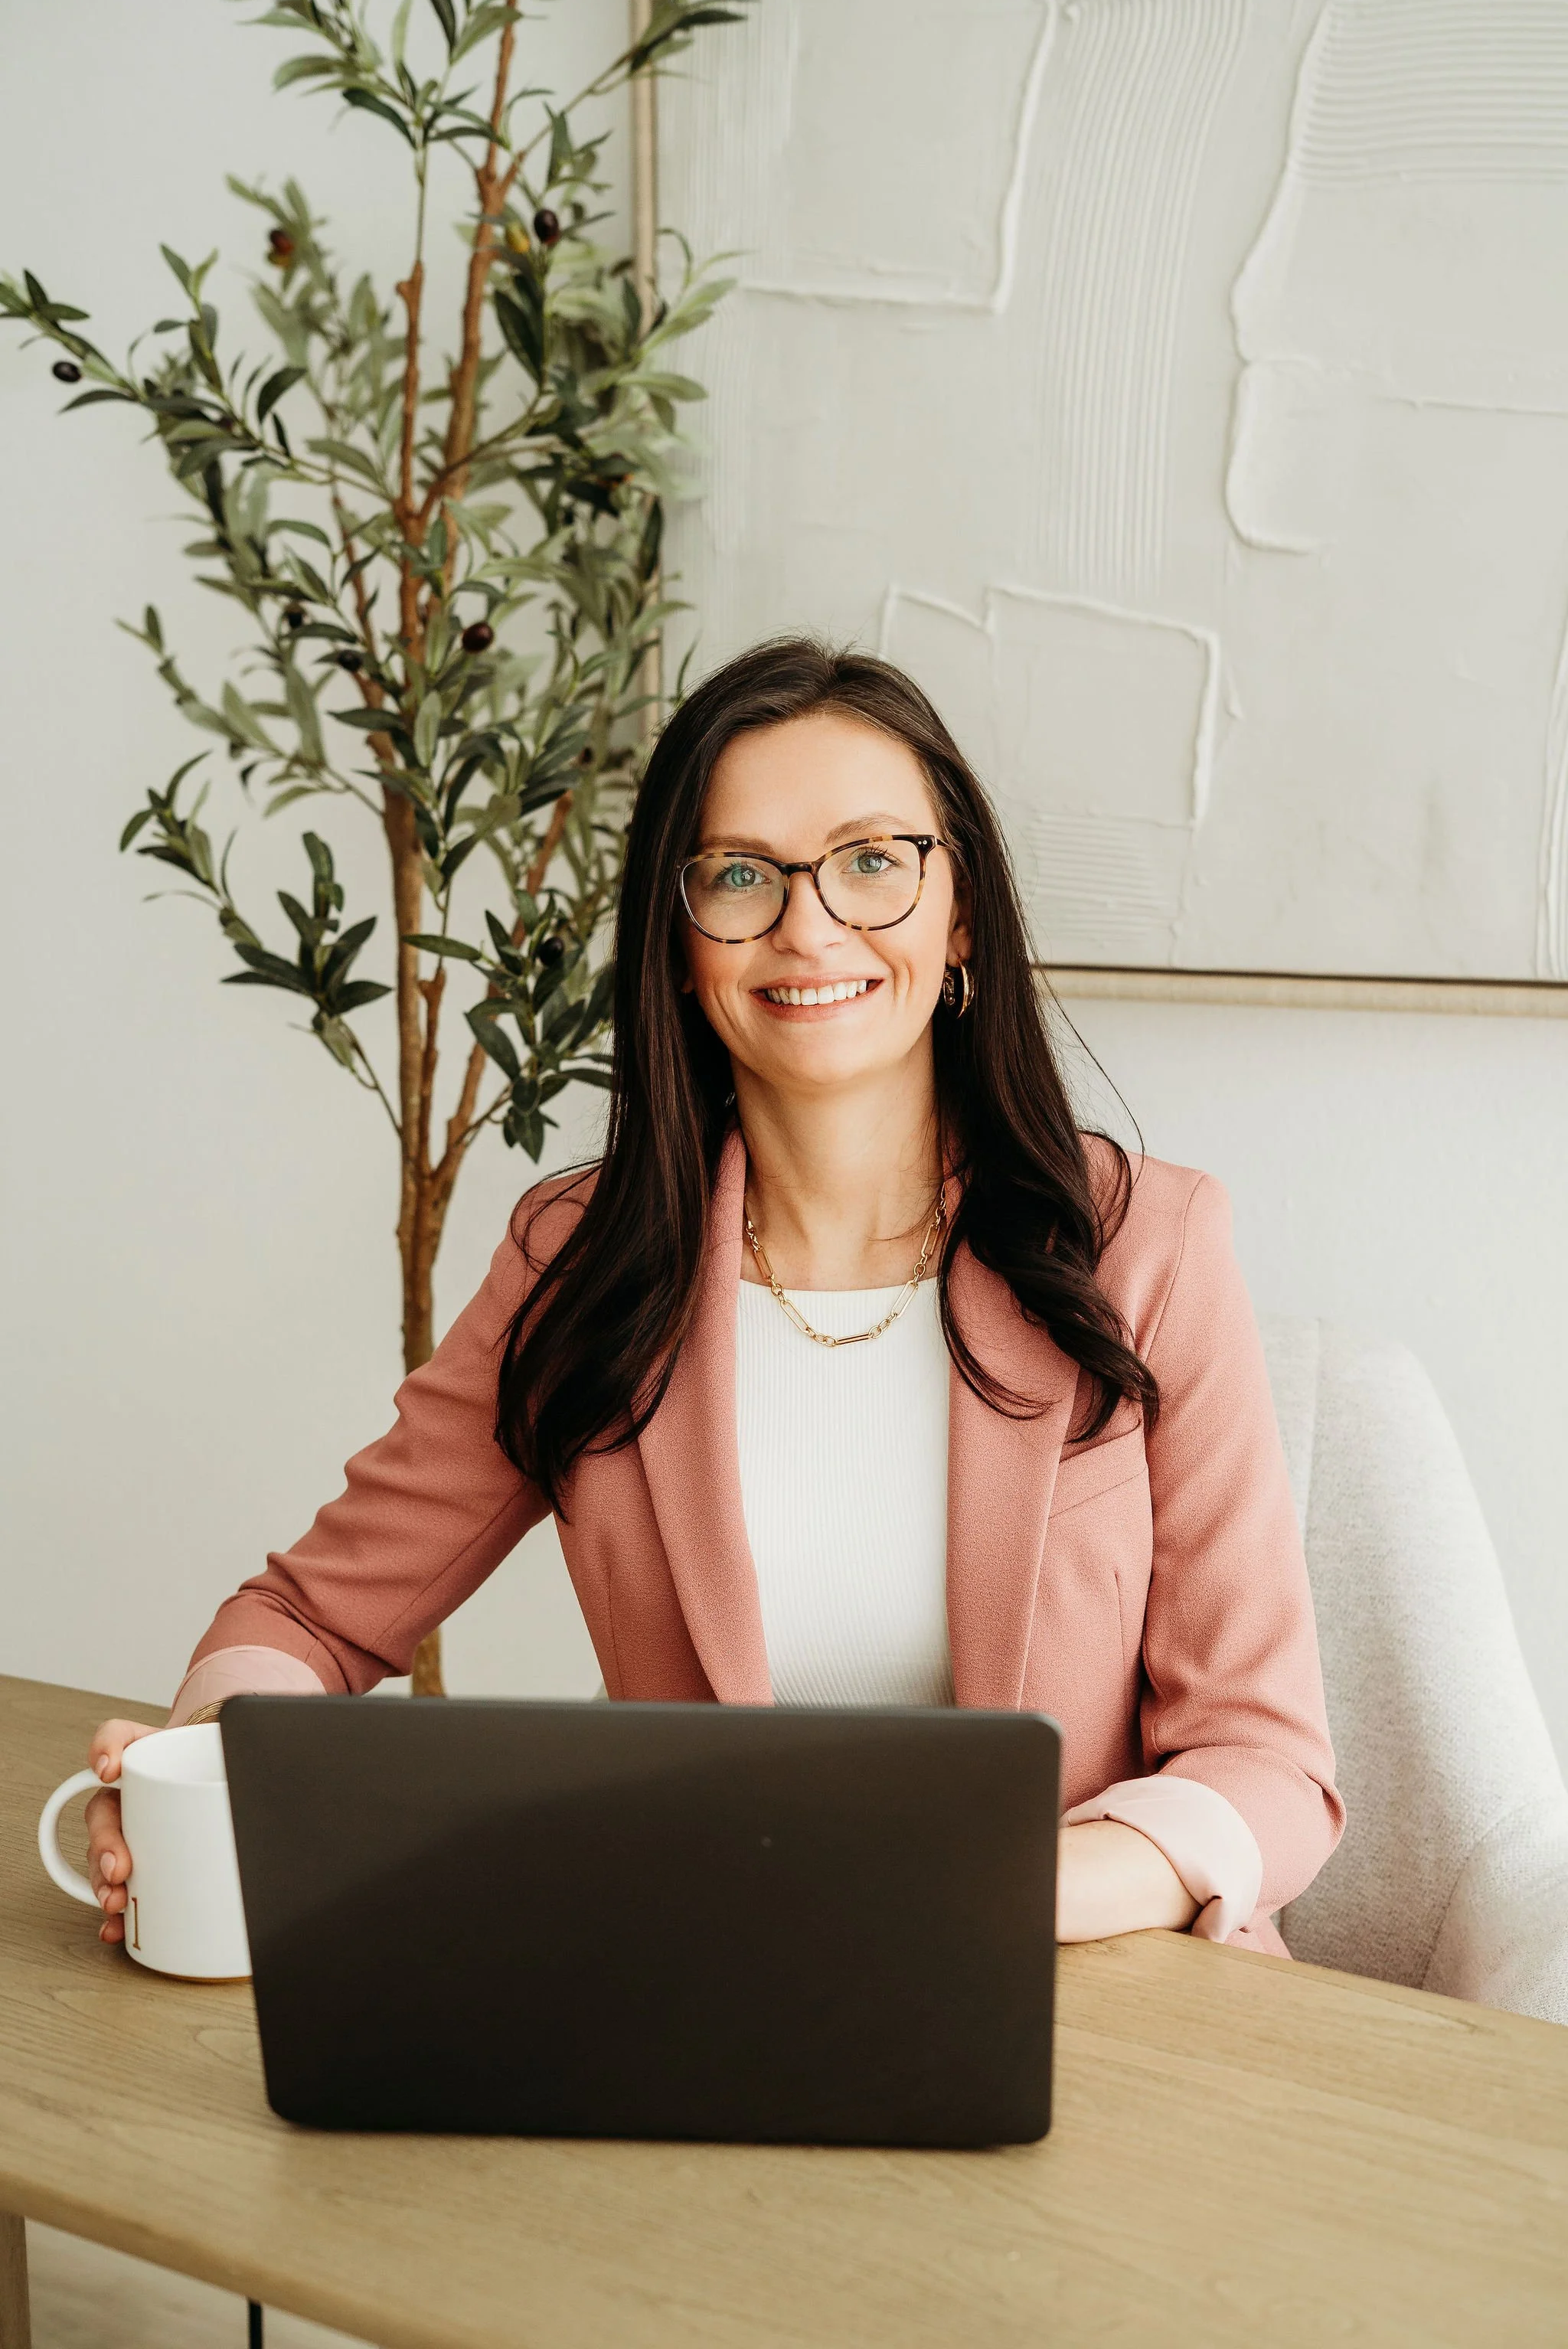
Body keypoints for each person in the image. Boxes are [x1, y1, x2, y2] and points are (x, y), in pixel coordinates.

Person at [84, 638, 1342, 1952]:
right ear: (679, 945)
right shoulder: (581, 1265)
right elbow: (304, 1618)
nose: (810, 926)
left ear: (959, 911)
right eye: (740, 875)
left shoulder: (1149, 1243)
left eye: (871, 861)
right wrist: (193, 1772)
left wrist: (980, 1900)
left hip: (1103, 2011)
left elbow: (1267, 1763)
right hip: (707, 1990)